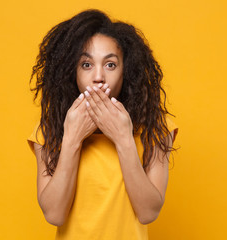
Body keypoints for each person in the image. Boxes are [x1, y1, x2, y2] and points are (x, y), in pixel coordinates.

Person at [27, 9, 179, 240]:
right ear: (72, 72)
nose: (98, 77)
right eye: (86, 64)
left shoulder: (155, 127)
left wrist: (123, 139)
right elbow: (54, 215)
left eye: (110, 64)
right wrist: (72, 140)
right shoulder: (48, 130)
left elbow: (149, 212)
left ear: (125, 71)